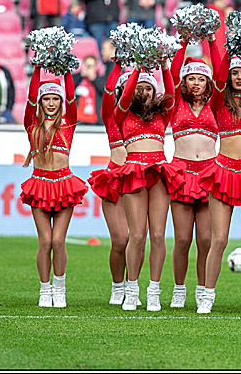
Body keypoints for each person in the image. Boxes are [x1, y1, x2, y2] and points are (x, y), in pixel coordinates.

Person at [111, 63, 180, 312]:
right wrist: (139, 70)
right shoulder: (122, 112)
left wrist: (163, 66)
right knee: (137, 235)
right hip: (134, 172)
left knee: (159, 235)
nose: (143, 92)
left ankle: (154, 290)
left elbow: (171, 90)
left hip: (159, 172)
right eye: (139, 88)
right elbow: (126, 94)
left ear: (154, 91)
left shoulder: (164, 113)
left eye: (148, 89)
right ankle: (131, 290)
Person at [21, 65, 86, 308]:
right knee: (45, 241)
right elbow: (29, 98)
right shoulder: (31, 125)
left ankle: (60, 288)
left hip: (64, 184)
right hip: (39, 184)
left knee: (58, 241)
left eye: (55, 99)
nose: (51, 103)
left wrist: (67, 67)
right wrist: (37, 67)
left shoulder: (68, 124)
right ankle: (44, 289)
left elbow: (71, 96)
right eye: (46, 98)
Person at [164, 40, 220, 311]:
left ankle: (202, 289)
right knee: (183, 239)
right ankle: (178, 288)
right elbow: (172, 74)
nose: (196, 83)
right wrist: (184, 41)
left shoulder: (217, 104)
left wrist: (210, 41)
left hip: (210, 172)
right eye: (191, 79)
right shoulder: (175, 103)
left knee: (206, 240)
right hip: (181, 172)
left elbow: (220, 72)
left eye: (201, 79)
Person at [86, 63, 136, 307]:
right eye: (125, 89)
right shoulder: (111, 116)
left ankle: (132, 286)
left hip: (138, 181)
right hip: (115, 180)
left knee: (136, 239)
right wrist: (118, 64)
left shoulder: (146, 116)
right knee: (120, 240)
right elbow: (107, 91)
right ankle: (118, 287)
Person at [71, 55, 103, 126]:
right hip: (79, 120)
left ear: (95, 67)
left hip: (96, 122)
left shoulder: (100, 79)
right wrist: (81, 75)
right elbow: (69, 88)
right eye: (86, 65)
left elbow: (104, 90)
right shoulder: (77, 78)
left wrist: (94, 79)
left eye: (90, 66)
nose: (88, 69)